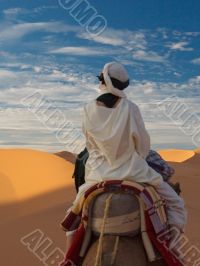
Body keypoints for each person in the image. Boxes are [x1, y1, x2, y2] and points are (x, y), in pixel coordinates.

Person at [67, 62, 187, 247]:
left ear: (103, 80)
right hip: (135, 172)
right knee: (176, 204)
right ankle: (173, 251)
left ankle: (70, 256)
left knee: (71, 221)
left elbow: (89, 143)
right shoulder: (130, 107)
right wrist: (133, 157)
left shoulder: (87, 109)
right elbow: (143, 145)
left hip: (97, 175)